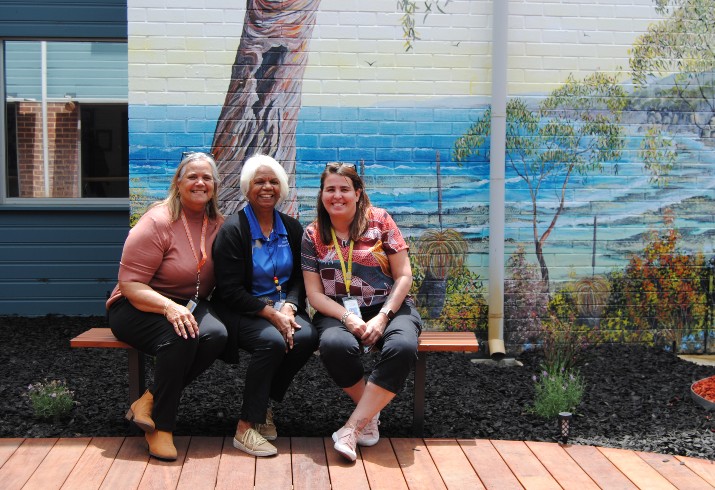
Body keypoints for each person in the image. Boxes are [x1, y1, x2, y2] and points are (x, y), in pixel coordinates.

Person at [106, 152, 228, 461]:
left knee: (216, 334)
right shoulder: (158, 220)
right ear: (178, 182)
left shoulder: (217, 224)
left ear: (215, 185)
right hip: (136, 303)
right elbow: (130, 284)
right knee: (181, 335)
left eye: (207, 178)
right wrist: (168, 308)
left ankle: (148, 401)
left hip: (187, 303)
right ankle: (161, 427)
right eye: (192, 177)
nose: (200, 183)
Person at [301, 162, 422, 462]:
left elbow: (404, 276)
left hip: (389, 306)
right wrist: (348, 318)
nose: (337, 196)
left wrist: (383, 317)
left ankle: (353, 427)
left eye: (344, 189)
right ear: (321, 195)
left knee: (403, 346)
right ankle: (370, 414)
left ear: (357, 193)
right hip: (336, 310)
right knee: (334, 345)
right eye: (330, 189)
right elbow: (314, 294)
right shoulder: (312, 234)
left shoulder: (380, 220)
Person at [213, 154, 318, 457]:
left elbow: (300, 278)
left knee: (308, 336)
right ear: (247, 188)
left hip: (280, 308)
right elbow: (229, 290)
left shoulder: (292, 228)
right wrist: (270, 314)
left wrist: (290, 307)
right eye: (259, 181)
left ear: (282, 188)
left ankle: (262, 406)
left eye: (273, 181)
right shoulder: (233, 231)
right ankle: (245, 428)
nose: (267, 187)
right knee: (272, 341)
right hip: (241, 310)